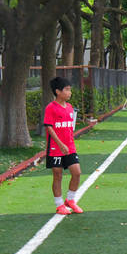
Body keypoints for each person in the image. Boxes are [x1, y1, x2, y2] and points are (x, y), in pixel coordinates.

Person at [44, 77, 83, 216]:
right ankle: (59, 204)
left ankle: (70, 200)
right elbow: (49, 128)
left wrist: (69, 143)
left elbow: (69, 128)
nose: (69, 92)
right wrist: (60, 144)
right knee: (57, 175)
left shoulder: (70, 107)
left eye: (69, 89)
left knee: (77, 173)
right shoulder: (51, 108)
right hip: (55, 148)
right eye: (66, 90)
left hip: (70, 147)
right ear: (58, 91)